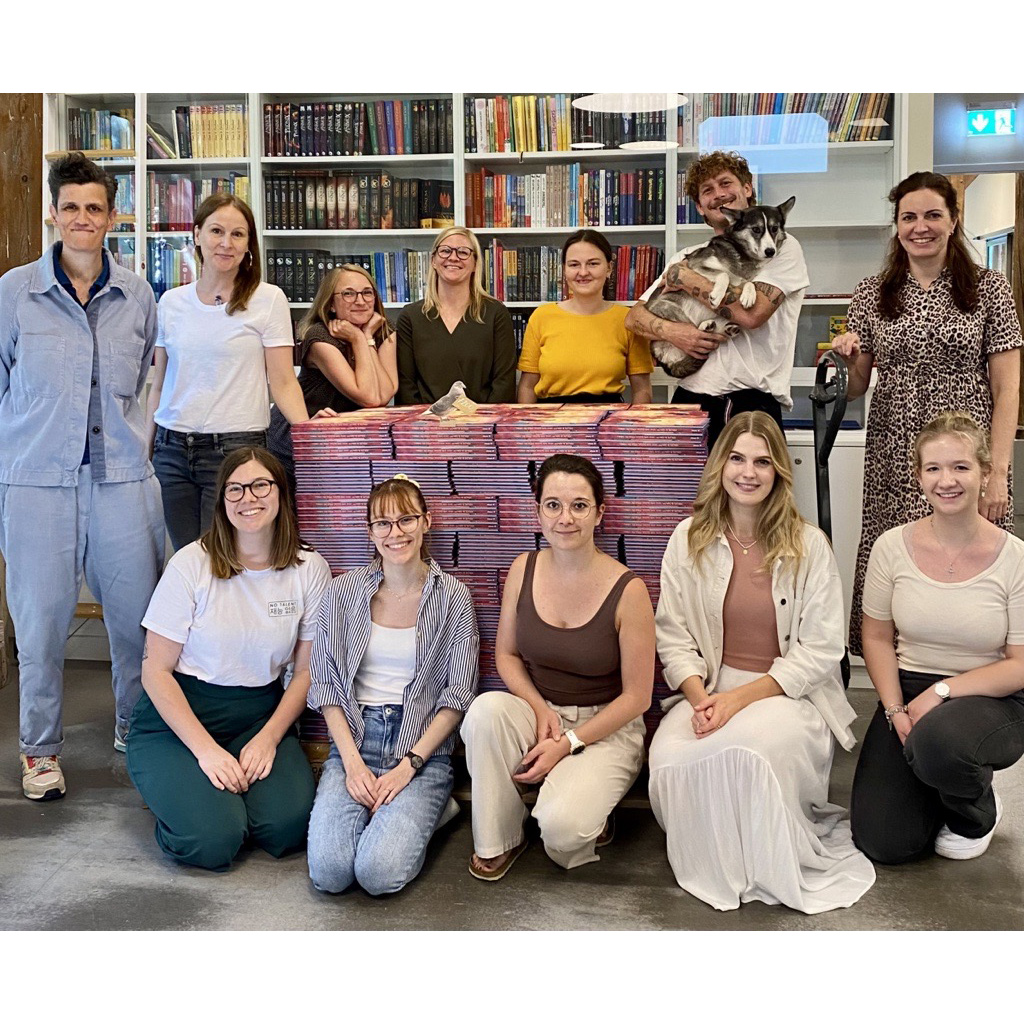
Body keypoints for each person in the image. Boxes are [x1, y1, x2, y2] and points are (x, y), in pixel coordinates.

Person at [649, 411, 875, 913]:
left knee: (746, 751)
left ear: (778, 472)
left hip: (786, 691)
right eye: (737, 459)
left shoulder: (808, 543)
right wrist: (702, 699)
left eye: (762, 461)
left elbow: (820, 650)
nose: (748, 472)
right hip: (709, 687)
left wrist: (735, 702)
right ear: (719, 465)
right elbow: (673, 635)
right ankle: (719, 861)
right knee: (668, 760)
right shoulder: (688, 539)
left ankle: (758, 861)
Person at [0, 152, 164, 801]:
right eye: (70, 207)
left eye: (94, 208)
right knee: (40, 621)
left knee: (136, 620)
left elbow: (149, 381)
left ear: (112, 215)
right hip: (37, 480)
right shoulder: (14, 292)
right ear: (53, 213)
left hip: (122, 479)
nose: (82, 219)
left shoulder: (138, 295)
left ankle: (135, 726)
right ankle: (40, 751)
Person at [832, 171, 1022, 656]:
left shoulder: (988, 287)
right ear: (896, 225)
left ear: (953, 220)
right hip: (895, 452)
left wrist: (997, 472)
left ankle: (979, 676)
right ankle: (898, 676)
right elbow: (855, 388)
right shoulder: (873, 292)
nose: (921, 226)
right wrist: (849, 358)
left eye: (933, 215)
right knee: (901, 562)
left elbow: (1007, 386)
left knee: (973, 559)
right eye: (908, 217)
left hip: (967, 453)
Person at [125, 447, 330, 871]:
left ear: (281, 493)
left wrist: (271, 737)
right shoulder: (191, 564)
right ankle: (191, 801)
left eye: (259, 485)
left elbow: (307, 672)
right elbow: (155, 671)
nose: (247, 498)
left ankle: (220, 802)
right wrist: (206, 753)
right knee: (212, 842)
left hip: (258, 716)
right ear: (222, 501)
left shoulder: (309, 568)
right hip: (179, 720)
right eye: (234, 489)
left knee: (288, 829)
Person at [461, 454, 654, 880]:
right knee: (485, 713)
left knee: (563, 831)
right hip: (541, 713)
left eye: (579, 505)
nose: (565, 518)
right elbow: (507, 655)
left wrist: (567, 743)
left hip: (605, 728)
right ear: (537, 511)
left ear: (600, 512)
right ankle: (500, 838)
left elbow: (638, 697)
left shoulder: (629, 590)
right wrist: (540, 709)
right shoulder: (523, 568)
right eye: (553, 505)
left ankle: (583, 806)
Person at [850, 412, 1024, 864]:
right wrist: (893, 708)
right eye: (934, 468)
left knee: (939, 743)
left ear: (985, 473)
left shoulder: (1016, 559)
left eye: (961, 467)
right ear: (919, 477)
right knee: (885, 843)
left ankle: (975, 812)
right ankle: (939, 779)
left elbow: (1020, 663)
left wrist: (943, 691)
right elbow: (876, 637)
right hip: (906, 688)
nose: (947, 480)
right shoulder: (890, 546)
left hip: (992, 694)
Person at [306, 475, 478, 895]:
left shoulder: (454, 597)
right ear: (370, 532)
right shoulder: (342, 592)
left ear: (426, 522)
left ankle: (430, 811)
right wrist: (349, 762)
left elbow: (457, 697)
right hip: (356, 739)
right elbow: (327, 685)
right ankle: (398, 818)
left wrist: (409, 766)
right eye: (382, 523)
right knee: (330, 874)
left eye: (406, 520)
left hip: (420, 750)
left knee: (378, 874)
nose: (395, 532)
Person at [146, 193, 315, 551]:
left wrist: (308, 444)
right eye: (216, 231)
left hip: (235, 449)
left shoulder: (268, 299)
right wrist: (143, 451)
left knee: (222, 559)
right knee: (185, 560)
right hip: (171, 449)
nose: (226, 243)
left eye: (238, 234)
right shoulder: (171, 303)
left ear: (248, 244)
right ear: (196, 235)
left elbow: (283, 381)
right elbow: (158, 383)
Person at [624, 151, 809, 450]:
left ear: (747, 189)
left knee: (750, 494)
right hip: (689, 397)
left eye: (726, 183)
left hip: (750, 404)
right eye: (707, 191)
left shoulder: (778, 247)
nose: (719, 195)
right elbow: (634, 318)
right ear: (700, 206)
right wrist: (676, 333)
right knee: (686, 497)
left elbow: (751, 314)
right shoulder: (685, 256)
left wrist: (685, 278)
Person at [267, 264, 397, 497]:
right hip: (300, 436)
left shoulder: (384, 332)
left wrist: (366, 336)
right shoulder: (319, 338)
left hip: (344, 441)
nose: (360, 301)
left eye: (367, 293)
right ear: (331, 304)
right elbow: (368, 396)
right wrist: (359, 338)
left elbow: (384, 394)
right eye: (348, 293)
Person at [517, 229, 653, 404]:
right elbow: (527, 386)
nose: (583, 272)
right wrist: (526, 429)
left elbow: (642, 389)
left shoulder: (628, 319)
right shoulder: (541, 317)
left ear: (609, 268)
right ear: (564, 270)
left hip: (608, 423)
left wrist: (635, 428)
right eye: (574, 264)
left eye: (593, 264)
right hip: (550, 423)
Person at [396, 227, 516, 405]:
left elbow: (504, 383)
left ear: (475, 263)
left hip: (482, 424)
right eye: (445, 251)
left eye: (463, 252)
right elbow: (406, 385)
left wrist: (484, 422)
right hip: (425, 425)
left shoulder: (495, 313)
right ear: (433, 261)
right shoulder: (410, 317)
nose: (453, 257)